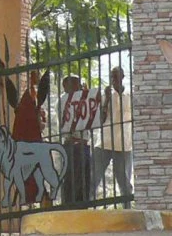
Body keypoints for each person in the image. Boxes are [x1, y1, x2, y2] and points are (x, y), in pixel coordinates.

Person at [92, 66, 133, 201]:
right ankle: (88, 208)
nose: (113, 79)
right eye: (111, 77)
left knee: (124, 182)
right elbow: (100, 120)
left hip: (123, 144)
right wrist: (107, 100)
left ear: (122, 77)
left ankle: (127, 210)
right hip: (105, 142)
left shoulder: (130, 96)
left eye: (116, 76)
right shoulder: (105, 96)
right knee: (93, 179)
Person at [57, 74, 96, 205]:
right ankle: (69, 210)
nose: (79, 86)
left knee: (84, 184)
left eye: (79, 83)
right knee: (73, 182)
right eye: (76, 84)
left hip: (83, 145)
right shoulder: (64, 100)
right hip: (72, 145)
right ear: (66, 87)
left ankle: (81, 210)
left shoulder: (80, 99)